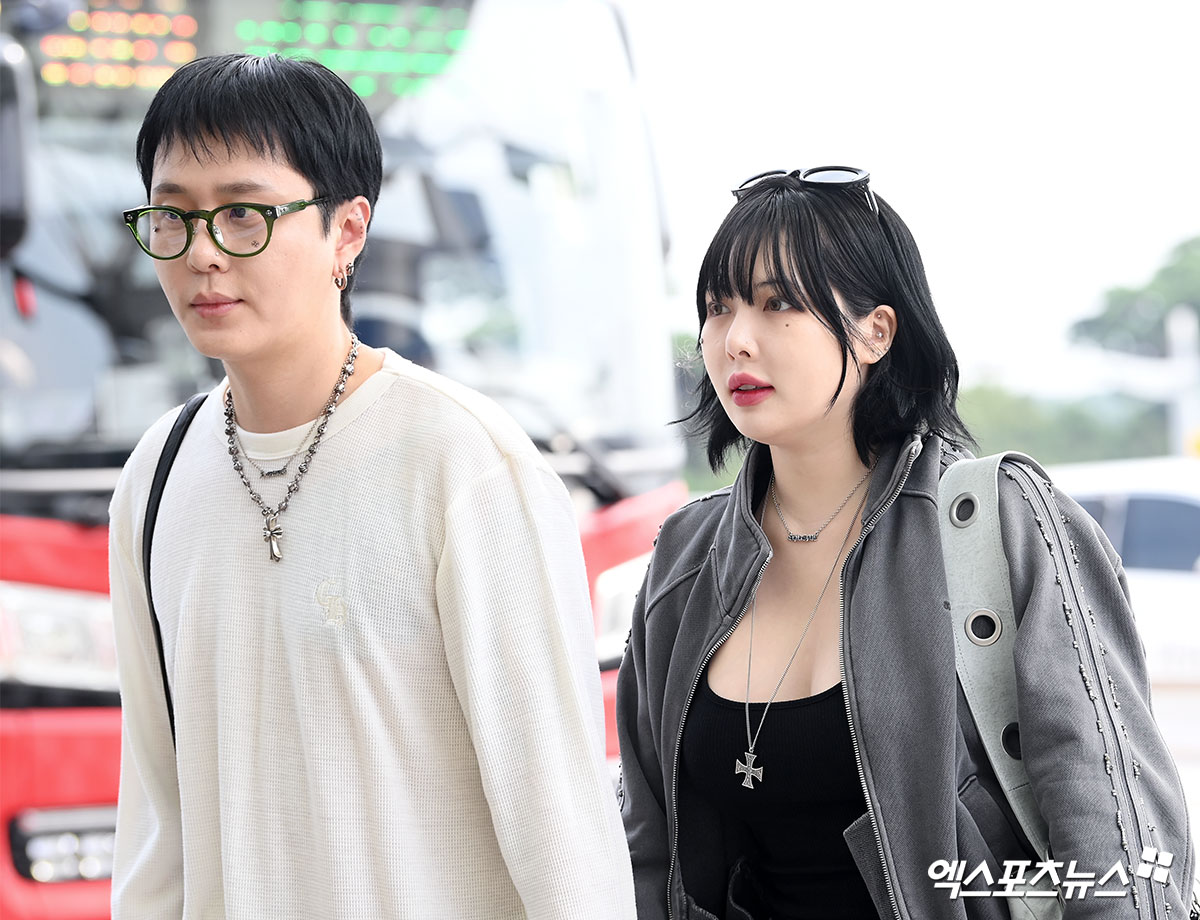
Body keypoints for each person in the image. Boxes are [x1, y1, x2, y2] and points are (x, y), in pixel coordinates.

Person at [108, 53, 635, 919]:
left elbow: (564, 838)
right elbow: (157, 826)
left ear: (347, 231)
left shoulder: (463, 464)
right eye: (173, 217)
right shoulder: (157, 476)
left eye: (243, 214)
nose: (201, 253)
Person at [615, 167, 1194, 919]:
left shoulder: (997, 523)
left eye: (778, 303)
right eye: (718, 308)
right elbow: (647, 848)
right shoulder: (687, 556)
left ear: (876, 332)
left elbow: (1115, 835)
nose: (736, 340)